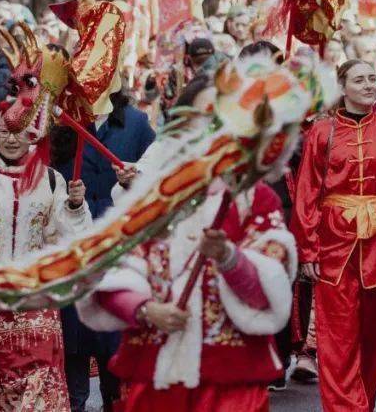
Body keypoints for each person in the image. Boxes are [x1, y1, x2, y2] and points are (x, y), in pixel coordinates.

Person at [77, 130, 296, 411]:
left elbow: (268, 294)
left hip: (231, 380)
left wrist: (228, 258)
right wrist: (146, 310)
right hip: (158, 374)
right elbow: (112, 279)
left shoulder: (255, 200)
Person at [292, 59, 376, 412]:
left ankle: (361, 402)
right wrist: (307, 250)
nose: (368, 84)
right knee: (336, 338)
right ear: (343, 87)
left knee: (375, 336)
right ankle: (344, 407)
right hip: (333, 243)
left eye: (371, 79)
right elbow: (306, 193)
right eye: (359, 79)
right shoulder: (321, 132)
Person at [0, 115, 89, 410]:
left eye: (19, 132)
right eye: (4, 131)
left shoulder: (51, 179)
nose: (10, 139)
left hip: (35, 303)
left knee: (37, 388)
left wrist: (74, 206)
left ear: (33, 134)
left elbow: (68, 238)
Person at [53, 90, 155, 412]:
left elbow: (157, 182)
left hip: (118, 253)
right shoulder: (61, 123)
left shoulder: (136, 124)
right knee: (74, 355)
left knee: (116, 356)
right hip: (74, 254)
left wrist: (131, 182)